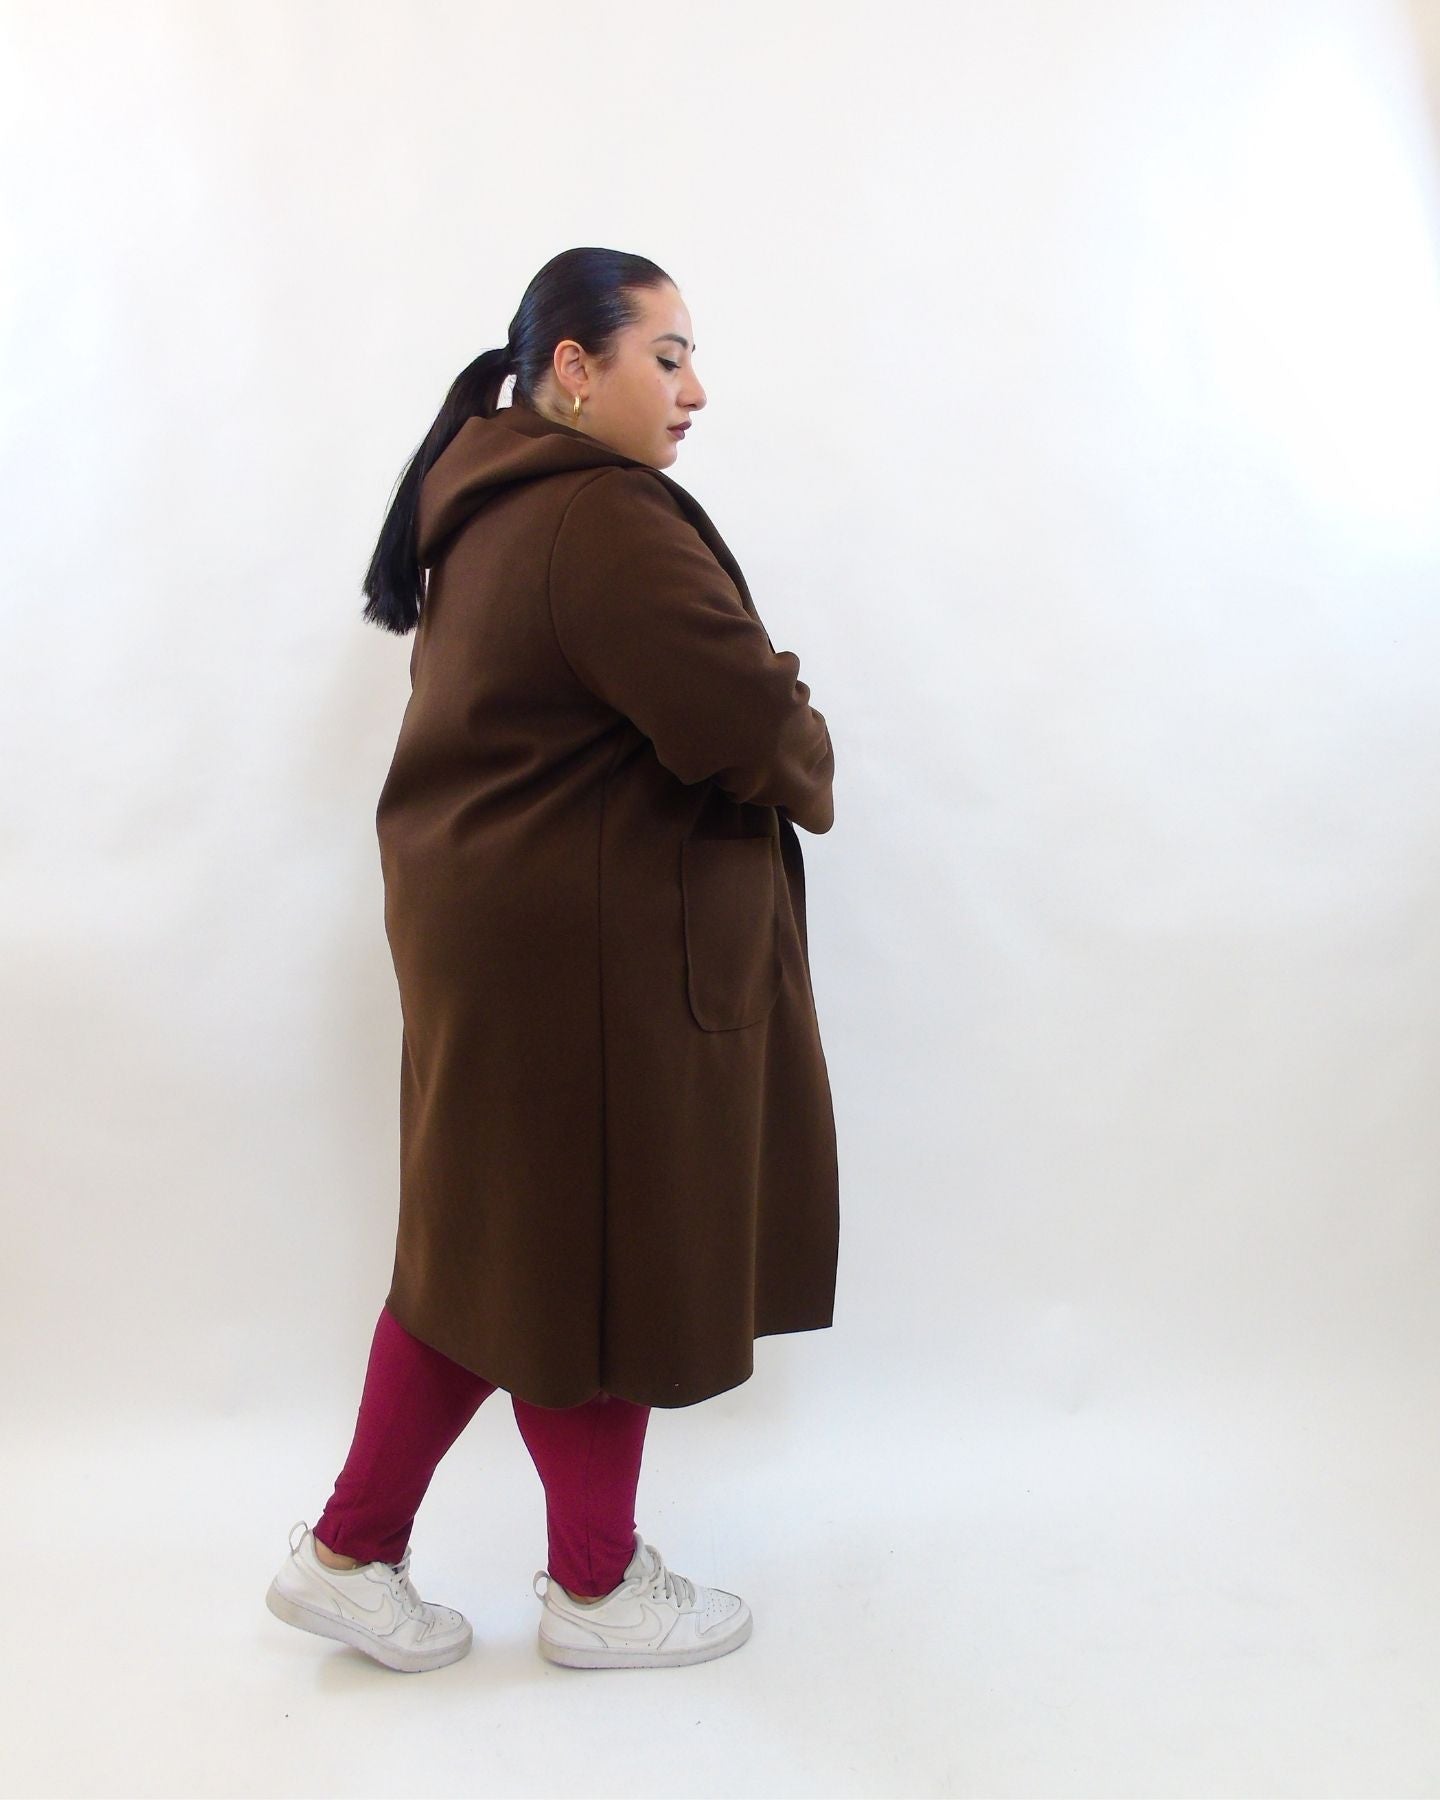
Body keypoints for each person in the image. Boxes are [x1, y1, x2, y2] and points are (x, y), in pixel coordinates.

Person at [264, 246, 839, 1674]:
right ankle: (592, 1589)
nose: (694, 390)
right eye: (667, 356)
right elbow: (748, 723)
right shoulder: (599, 515)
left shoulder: (492, 500)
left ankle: (351, 1554)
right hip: (581, 962)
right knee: (593, 1256)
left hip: (508, 941)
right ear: (574, 369)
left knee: (499, 1248)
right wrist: (804, 731)